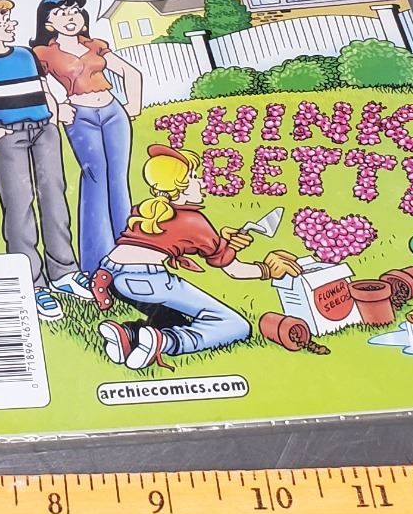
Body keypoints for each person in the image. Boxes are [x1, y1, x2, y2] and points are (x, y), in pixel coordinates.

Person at [0, 0, 95, 321]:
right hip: (8, 137)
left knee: (54, 197)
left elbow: (45, 91)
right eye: (5, 20)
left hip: (45, 131)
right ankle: (31, 282)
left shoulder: (26, 55)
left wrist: (55, 114)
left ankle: (64, 272)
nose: (12, 24)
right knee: (19, 205)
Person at [97, 147, 301, 372]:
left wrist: (223, 241)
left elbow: (162, 242)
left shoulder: (148, 210)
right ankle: (164, 342)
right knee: (235, 325)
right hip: (147, 281)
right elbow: (234, 270)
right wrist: (267, 270)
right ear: (181, 185)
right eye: (194, 177)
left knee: (178, 320)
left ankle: (130, 336)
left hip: (112, 275)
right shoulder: (194, 221)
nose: (202, 182)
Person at [31, 0, 144, 274]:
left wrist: (133, 105)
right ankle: (97, 262)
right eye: (61, 14)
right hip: (80, 116)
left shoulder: (95, 46)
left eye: (74, 12)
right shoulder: (43, 53)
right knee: (95, 178)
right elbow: (41, 88)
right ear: (48, 23)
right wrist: (57, 109)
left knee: (118, 179)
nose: (70, 17)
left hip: (113, 113)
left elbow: (132, 73)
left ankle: (128, 250)